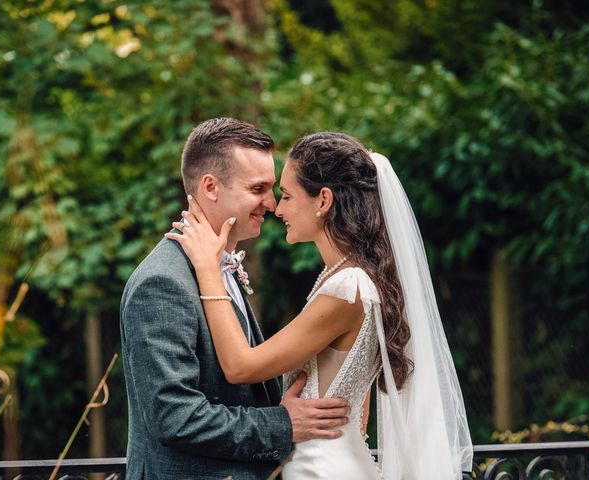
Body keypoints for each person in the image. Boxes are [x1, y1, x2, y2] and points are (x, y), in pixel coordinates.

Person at [167, 132, 474, 479]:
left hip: (322, 467)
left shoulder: (348, 286)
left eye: (286, 196)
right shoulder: (348, 277)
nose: (277, 209)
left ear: (323, 200)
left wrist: (208, 269)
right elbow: (356, 400)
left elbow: (240, 367)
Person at [120, 119, 351, 480]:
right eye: (258, 189)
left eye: (273, 189)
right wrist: (282, 424)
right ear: (210, 187)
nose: (272, 204)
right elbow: (176, 418)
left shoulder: (216, 266)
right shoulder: (164, 282)